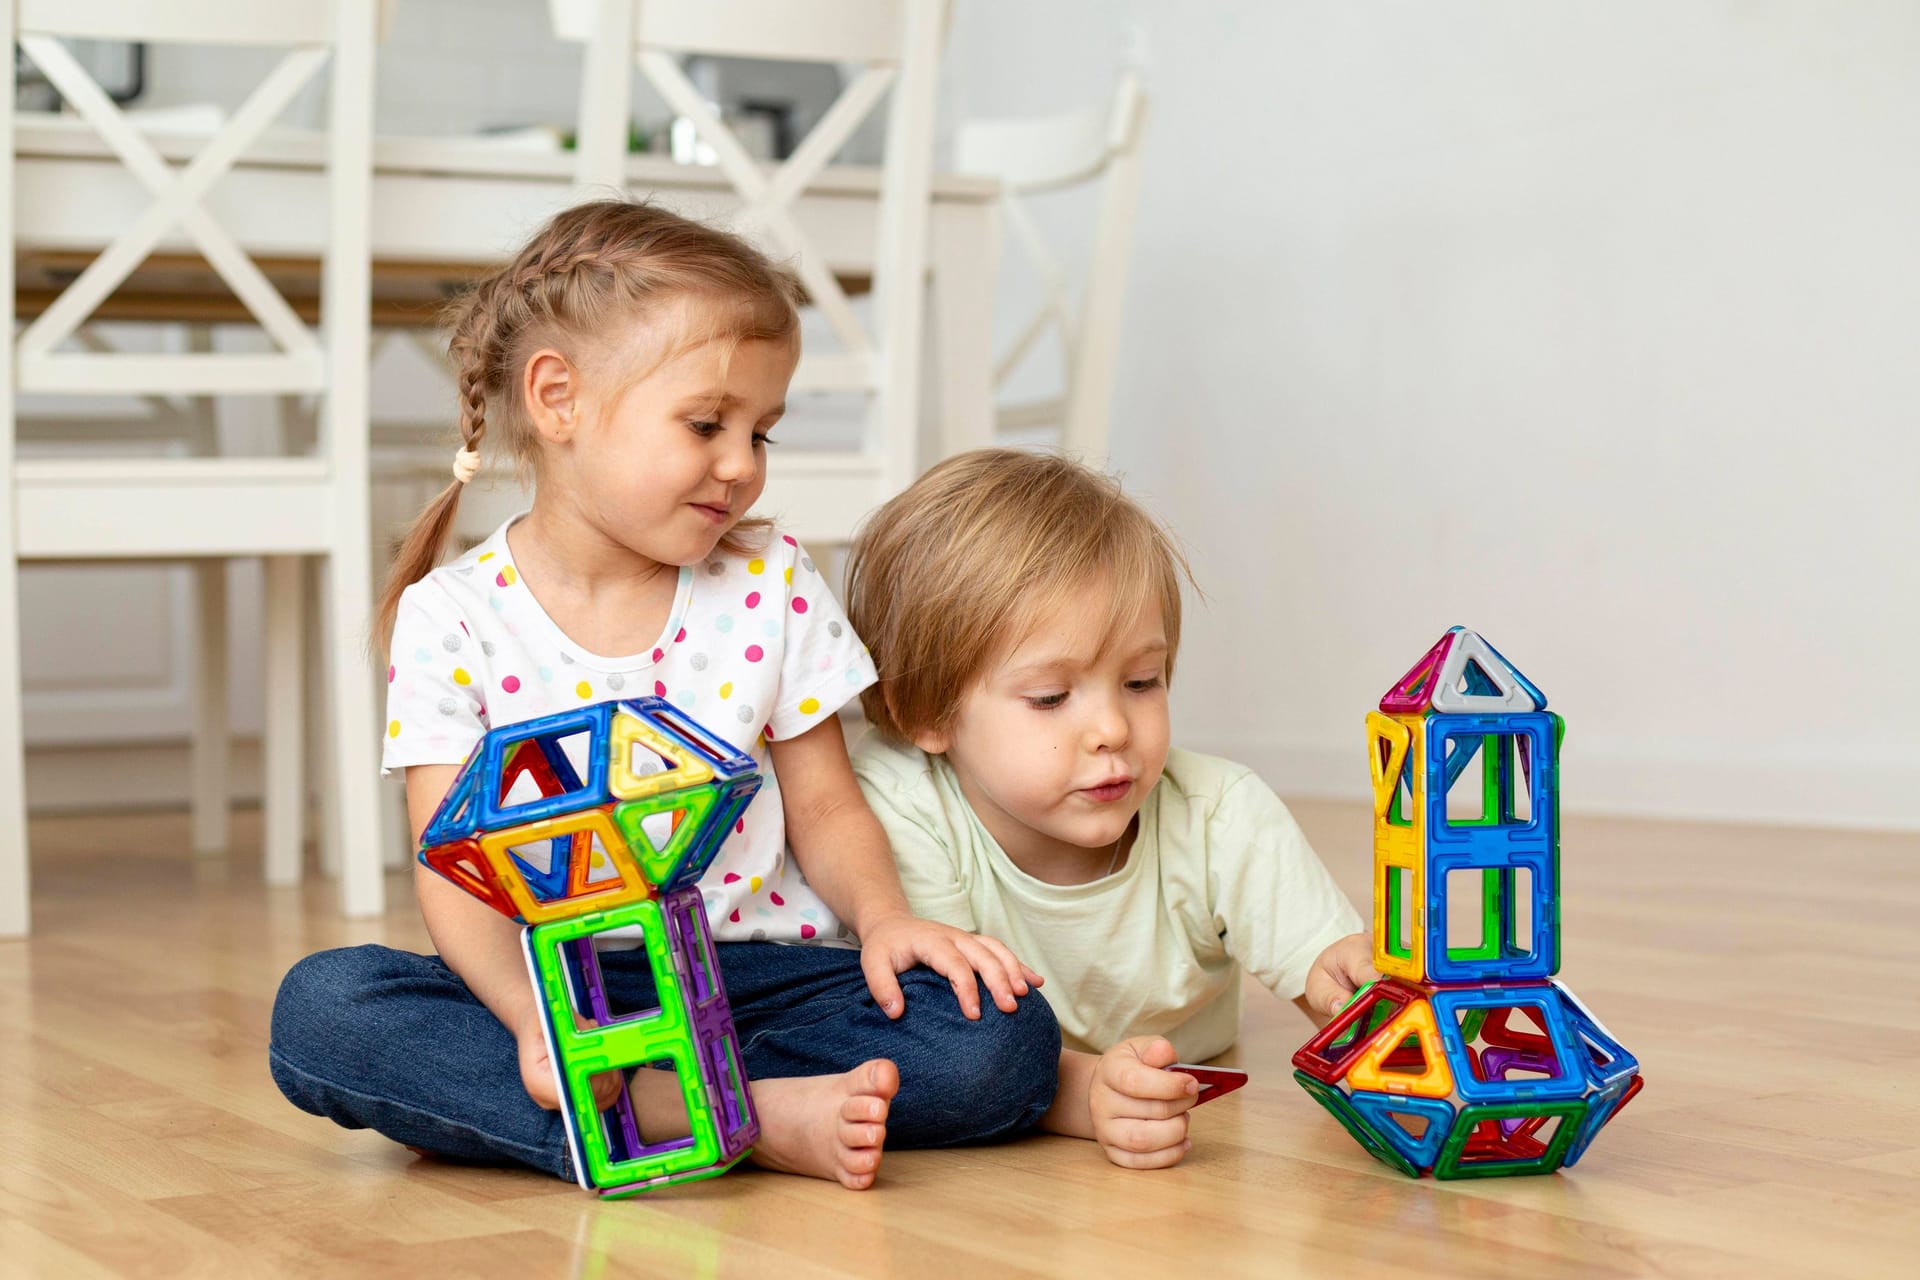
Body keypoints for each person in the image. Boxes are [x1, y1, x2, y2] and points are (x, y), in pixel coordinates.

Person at [269, 202, 1059, 1191]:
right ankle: (727, 1114)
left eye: (761, 431)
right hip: (558, 983)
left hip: (759, 973)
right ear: (558, 399)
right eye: (705, 424)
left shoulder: (771, 578)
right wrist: (529, 1021)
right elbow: (451, 866)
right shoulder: (454, 615)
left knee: (1009, 1037)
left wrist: (889, 918)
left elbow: (824, 802)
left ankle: (650, 1109)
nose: (742, 464)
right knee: (325, 1007)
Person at [845, 448, 1374, 1171]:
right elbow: (953, 1030)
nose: (1113, 730)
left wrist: (1349, 985)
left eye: (1141, 681)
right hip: (1014, 1082)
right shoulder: (898, 807)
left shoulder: (1218, 813)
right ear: (925, 714)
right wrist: (1084, 1093)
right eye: (1051, 698)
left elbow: (1333, 981)